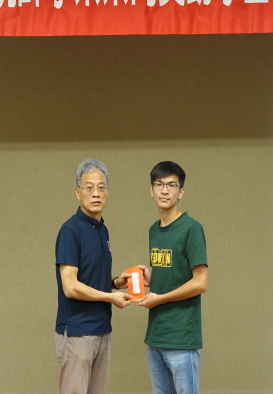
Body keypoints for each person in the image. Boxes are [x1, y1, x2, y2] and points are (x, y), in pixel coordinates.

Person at [55, 158, 132, 394]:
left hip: (102, 330)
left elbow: (90, 278)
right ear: (78, 192)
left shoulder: (102, 229)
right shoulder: (70, 230)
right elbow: (70, 286)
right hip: (78, 332)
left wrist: (116, 283)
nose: (96, 193)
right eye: (89, 188)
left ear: (108, 191)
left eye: (101, 187)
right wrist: (110, 297)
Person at [138, 161, 209, 394]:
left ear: (181, 192)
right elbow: (174, 273)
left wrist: (160, 298)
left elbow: (200, 282)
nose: (165, 190)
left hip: (181, 338)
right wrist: (152, 279)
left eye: (171, 185)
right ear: (151, 190)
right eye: (159, 184)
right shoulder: (154, 230)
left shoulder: (191, 228)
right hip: (156, 335)